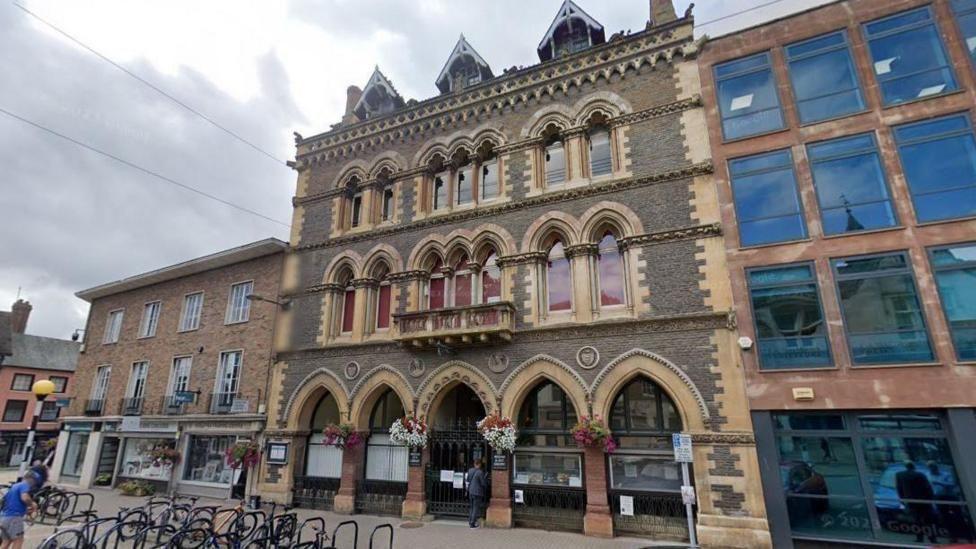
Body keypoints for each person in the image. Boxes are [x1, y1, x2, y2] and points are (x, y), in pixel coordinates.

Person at [896, 461, 937, 544]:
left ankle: (919, 537)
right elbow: (927, 487)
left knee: (916, 519)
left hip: (911, 501)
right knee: (928, 520)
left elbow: (899, 488)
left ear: (906, 467)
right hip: (923, 500)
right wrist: (931, 499)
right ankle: (932, 538)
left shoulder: (900, 475)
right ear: (913, 467)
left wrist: (903, 500)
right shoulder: (920, 475)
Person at [0, 471, 38, 549]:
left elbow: (11, 503)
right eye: (34, 481)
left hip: (5, 517)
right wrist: (32, 504)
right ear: (30, 479)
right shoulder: (24, 485)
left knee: (6, 541)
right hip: (14, 518)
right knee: (18, 540)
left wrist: (25, 511)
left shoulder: (14, 486)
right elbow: (25, 497)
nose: (34, 483)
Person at [465, 458, 487, 529]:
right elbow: (483, 483)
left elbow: (468, 480)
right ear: (480, 464)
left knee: (471, 507)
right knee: (475, 508)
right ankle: (472, 524)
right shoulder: (480, 472)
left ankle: (470, 521)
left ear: (474, 464)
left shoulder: (470, 470)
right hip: (477, 492)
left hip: (470, 491)